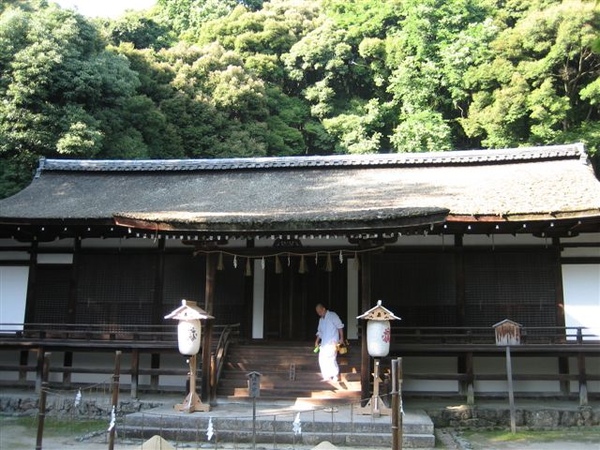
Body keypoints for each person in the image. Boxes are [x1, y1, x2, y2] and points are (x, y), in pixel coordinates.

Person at [314, 303, 344, 381]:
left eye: (320, 311)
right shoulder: (321, 320)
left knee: (331, 358)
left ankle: (335, 375)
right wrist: (316, 341)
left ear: (324, 309)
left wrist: (341, 338)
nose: (319, 313)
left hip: (332, 341)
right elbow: (320, 332)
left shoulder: (332, 315)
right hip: (324, 343)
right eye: (318, 312)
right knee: (322, 359)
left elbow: (340, 326)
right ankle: (326, 376)